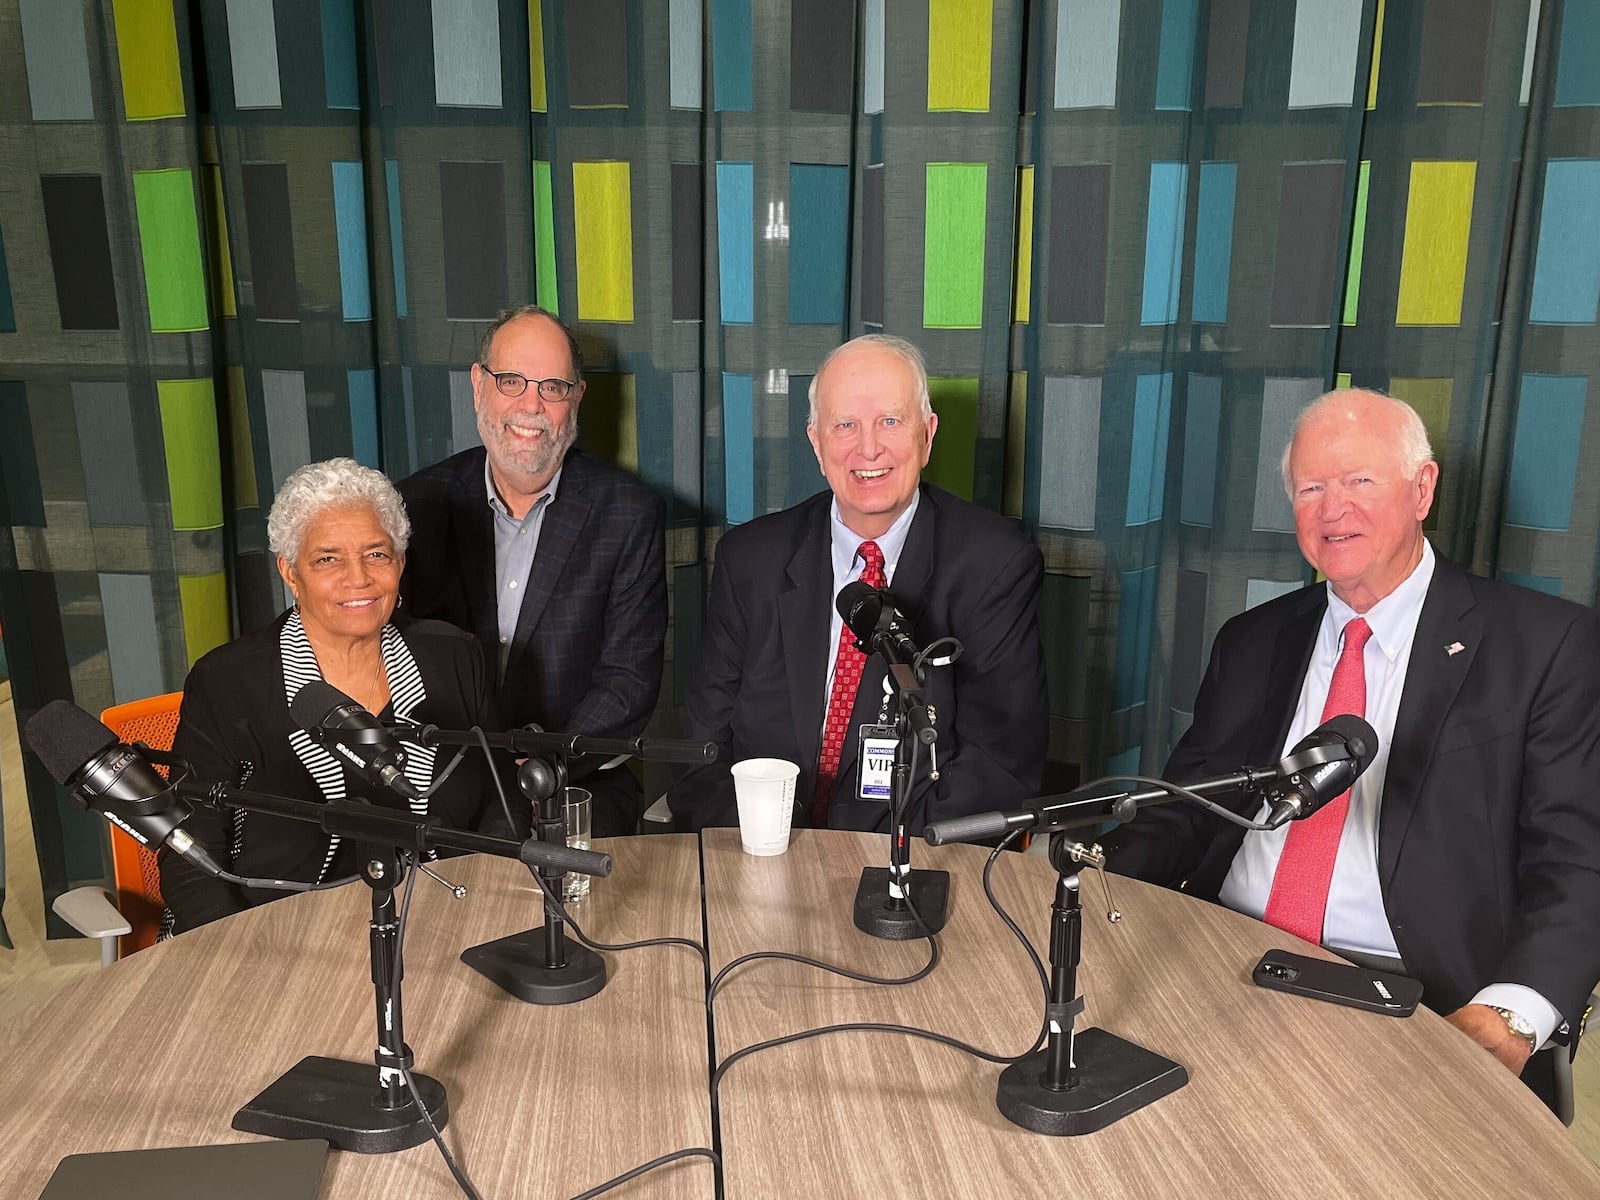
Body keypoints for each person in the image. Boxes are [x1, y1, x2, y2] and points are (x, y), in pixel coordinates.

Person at [1104, 389, 1600, 1110]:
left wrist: (1514, 1014)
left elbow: (1577, 861)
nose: (1333, 509)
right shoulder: (1252, 640)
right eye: (1311, 488)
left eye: (1359, 481)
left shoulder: (1545, 645)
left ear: (1422, 488)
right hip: (1224, 955)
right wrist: (1095, 892)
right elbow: (1184, 813)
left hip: (1417, 995)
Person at [671, 334, 1047, 833]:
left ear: (928, 435)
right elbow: (700, 751)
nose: (868, 447)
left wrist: (868, 865)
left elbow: (1000, 768)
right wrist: (765, 849)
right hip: (757, 855)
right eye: (844, 425)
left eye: (890, 421)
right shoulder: (750, 560)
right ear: (817, 443)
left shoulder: (995, 565)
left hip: (904, 868)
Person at [159, 459, 516, 933]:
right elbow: (191, 854)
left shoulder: (453, 655)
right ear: (290, 571)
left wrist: (487, 898)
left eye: (376, 554)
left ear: (401, 562)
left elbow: (500, 797)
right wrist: (239, 962)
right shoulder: (227, 682)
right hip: (280, 936)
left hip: (445, 917)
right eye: (328, 558)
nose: (359, 578)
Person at [398, 306, 667, 837]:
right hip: (440, 773)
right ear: (479, 386)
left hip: (576, 775)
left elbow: (628, 681)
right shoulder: (416, 505)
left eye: (552, 387)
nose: (531, 405)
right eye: (512, 381)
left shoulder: (628, 513)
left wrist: (548, 765)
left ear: (577, 400)